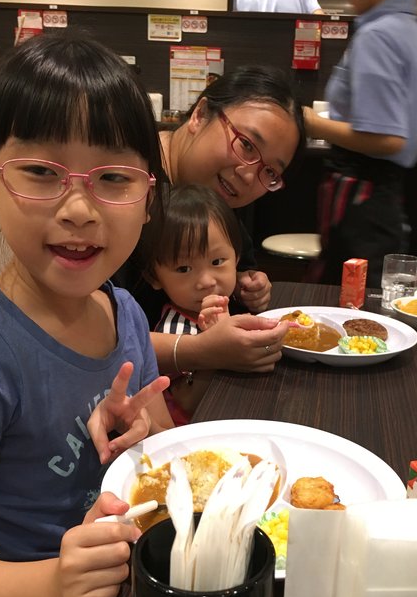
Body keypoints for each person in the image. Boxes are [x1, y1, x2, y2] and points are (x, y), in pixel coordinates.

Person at [0, 32, 174, 597]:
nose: (79, 208)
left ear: (148, 196)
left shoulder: (125, 312)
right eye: (42, 172)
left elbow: (164, 453)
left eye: (113, 177)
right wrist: (55, 584)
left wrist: (141, 432)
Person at [121, 63, 307, 377]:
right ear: (200, 114)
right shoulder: (128, 186)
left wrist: (249, 285)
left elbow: (243, 268)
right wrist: (200, 352)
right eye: (246, 145)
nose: (248, 175)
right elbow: (89, 332)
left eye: (270, 172)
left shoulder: (215, 194)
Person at [304, 0, 417, 288]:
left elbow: (387, 139)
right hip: (384, 197)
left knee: (348, 300)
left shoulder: (378, 35)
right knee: (370, 297)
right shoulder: (410, 29)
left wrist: (310, 122)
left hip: (360, 198)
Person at [146, 184, 242, 425]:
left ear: (237, 258)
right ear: (155, 278)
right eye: (184, 269)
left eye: (217, 261)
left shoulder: (225, 305)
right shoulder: (175, 329)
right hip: (191, 431)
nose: (207, 281)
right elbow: (186, 401)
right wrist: (215, 350)